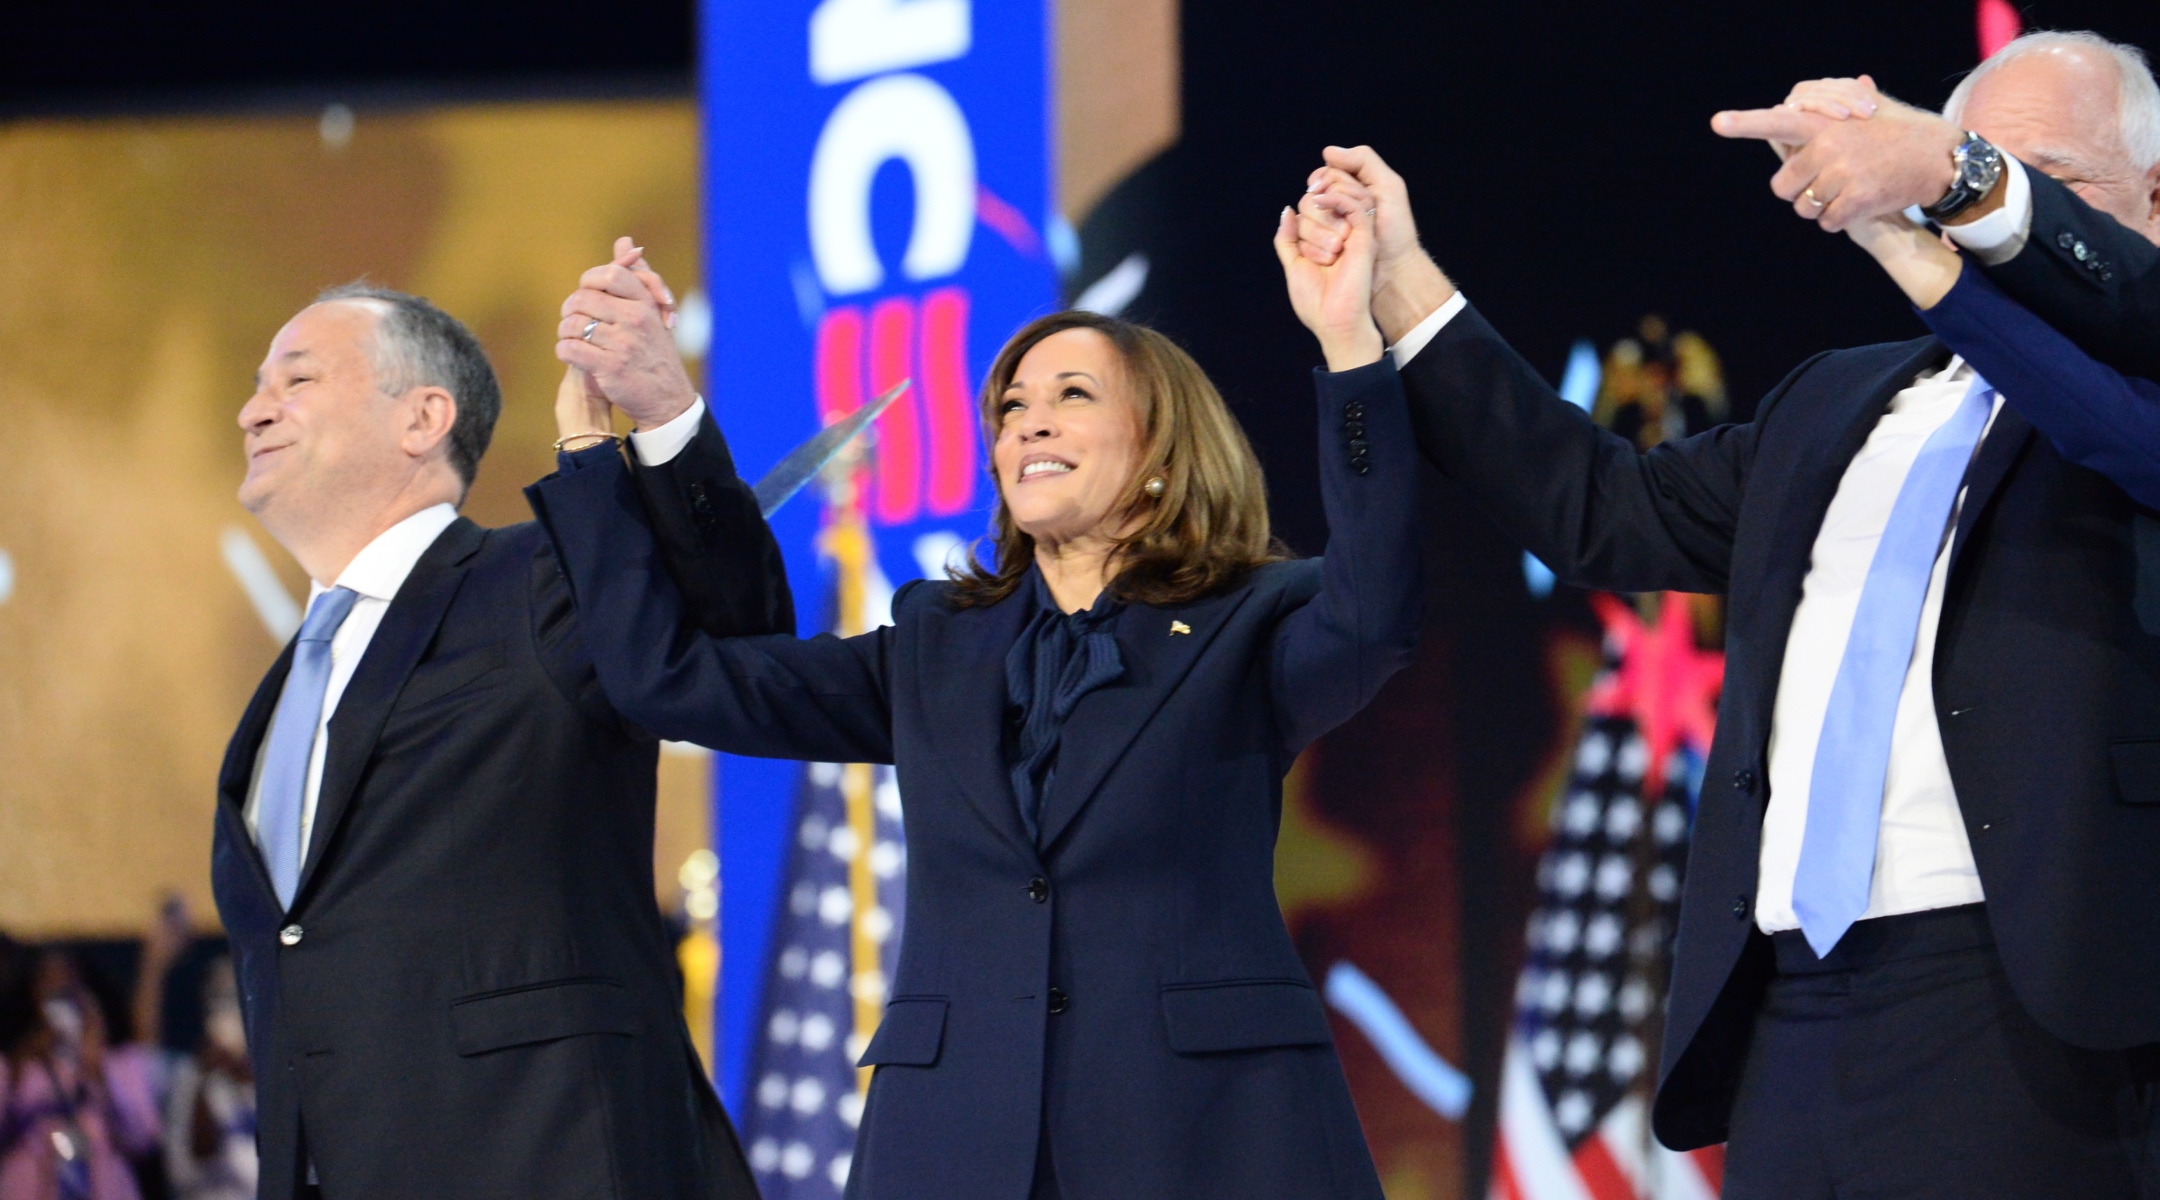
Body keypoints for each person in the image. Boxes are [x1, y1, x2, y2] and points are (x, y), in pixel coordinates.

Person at [1293, 31, 2160, 1197]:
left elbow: (2113, 417)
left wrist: (1934, 201)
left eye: (2033, 170)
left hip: (2027, 999)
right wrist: (1400, 280)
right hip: (1795, 1006)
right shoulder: (1841, 402)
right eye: (1961, 161)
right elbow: (1596, 507)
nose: (1970, 196)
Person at [525, 200, 1418, 1199]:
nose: (1028, 418)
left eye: (1073, 394)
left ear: (1163, 454)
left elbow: (1377, 609)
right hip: (954, 1143)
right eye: (1010, 406)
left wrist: (1349, 347)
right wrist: (607, 449)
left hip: (1209, 1137)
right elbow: (671, 678)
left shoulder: (1250, 624)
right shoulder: (934, 647)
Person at [210, 239, 788, 1200]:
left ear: (423, 417)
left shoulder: (539, 581)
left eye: (296, 377)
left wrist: (657, 407)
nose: (253, 407)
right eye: (258, 384)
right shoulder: (280, 696)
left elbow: (736, 627)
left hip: (548, 1163)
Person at [1711, 31, 2160, 378]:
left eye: (2050, 186)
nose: (1983, 219)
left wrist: (1945, 167)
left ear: (2155, 200)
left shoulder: (2134, 402)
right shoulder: (1826, 394)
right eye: (1950, 198)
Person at [0, 912, 175, 1200]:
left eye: (69, 989)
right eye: (49, 989)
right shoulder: (14, 1065)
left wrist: (98, 1070)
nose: (60, 1000)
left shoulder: (119, 1063)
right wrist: (21, 1060)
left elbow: (143, 1138)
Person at [161, 957, 255, 1200]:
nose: (227, 1014)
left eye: (233, 1000)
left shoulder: (276, 1071)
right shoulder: (192, 1075)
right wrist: (205, 1078)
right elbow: (195, 1158)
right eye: (218, 1002)